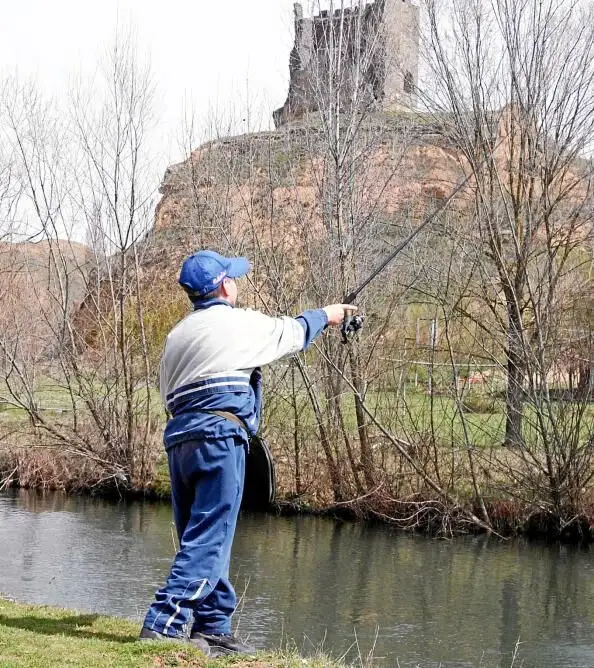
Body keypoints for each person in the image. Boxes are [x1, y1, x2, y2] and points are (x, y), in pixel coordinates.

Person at [140, 250, 354, 657]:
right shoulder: (238, 323)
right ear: (223, 286)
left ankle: (213, 629)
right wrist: (327, 314)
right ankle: (162, 624)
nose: (237, 283)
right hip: (220, 438)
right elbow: (293, 332)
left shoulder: (176, 335)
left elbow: (168, 393)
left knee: (201, 536)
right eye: (233, 278)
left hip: (180, 440)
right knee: (209, 539)